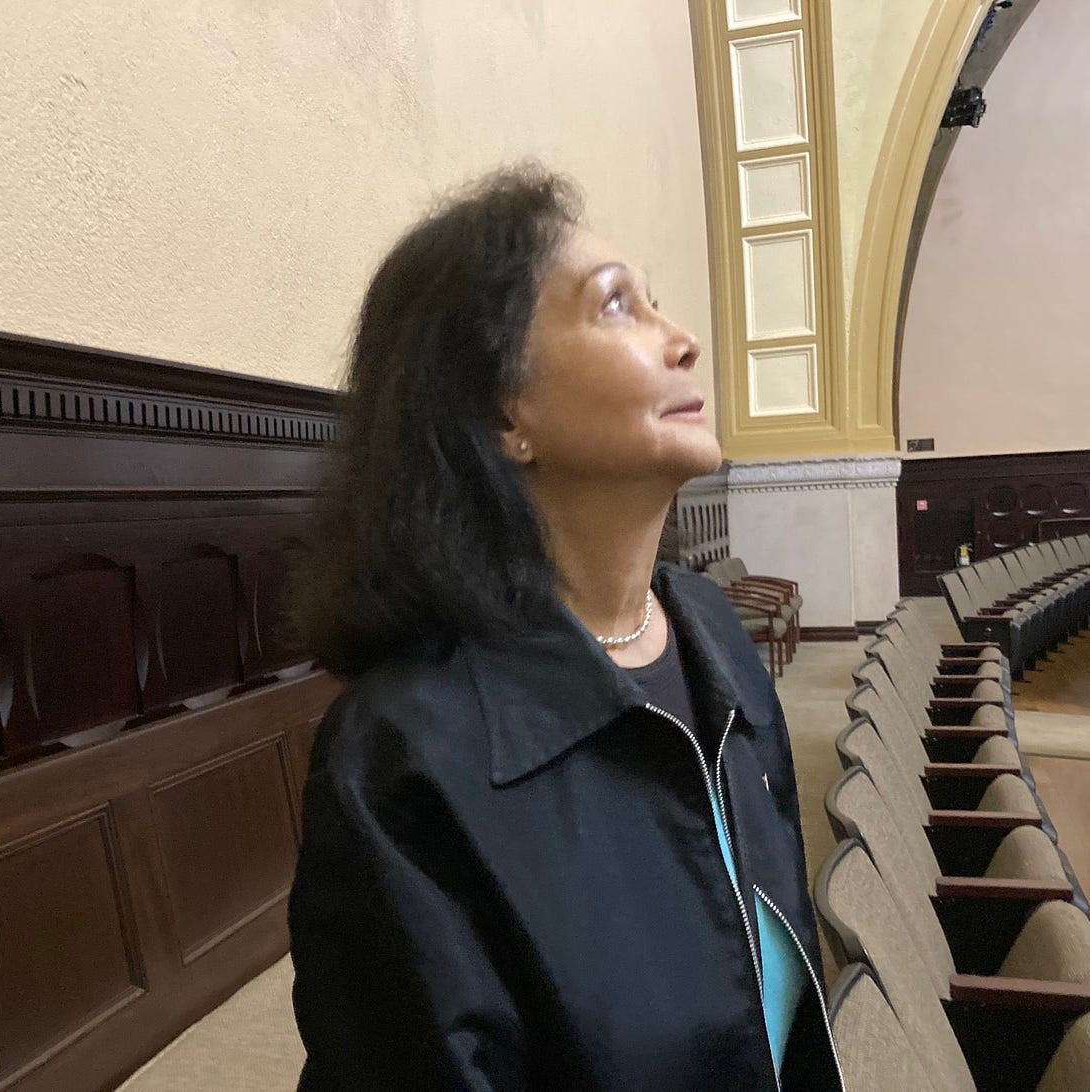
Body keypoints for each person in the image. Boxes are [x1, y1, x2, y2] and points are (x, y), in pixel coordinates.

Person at [289, 165, 843, 1091]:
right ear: (505, 410)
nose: (684, 342)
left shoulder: (710, 630)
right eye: (619, 307)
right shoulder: (404, 755)